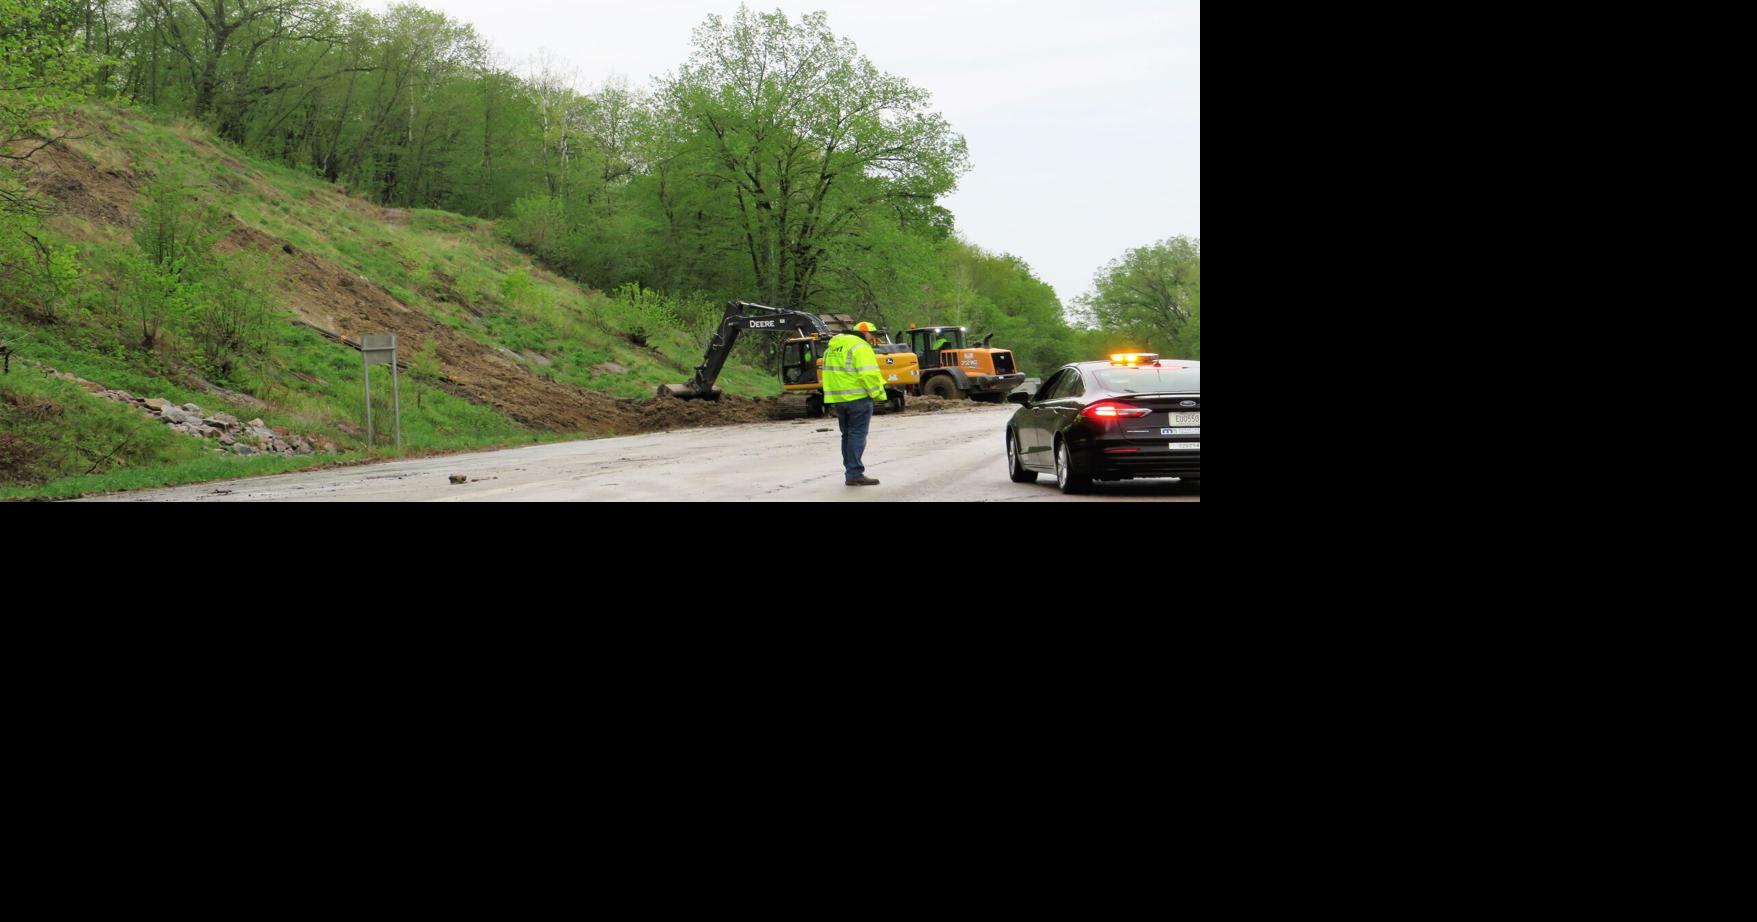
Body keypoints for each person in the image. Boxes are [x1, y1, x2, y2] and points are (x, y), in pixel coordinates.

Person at [822, 321, 888, 486]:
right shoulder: (861, 347)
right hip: (858, 398)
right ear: (864, 333)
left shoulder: (832, 347)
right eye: (872, 334)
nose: (873, 338)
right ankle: (854, 473)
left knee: (847, 436)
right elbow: (868, 374)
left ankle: (851, 472)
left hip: (839, 399)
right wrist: (878, 394)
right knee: (857, 435)